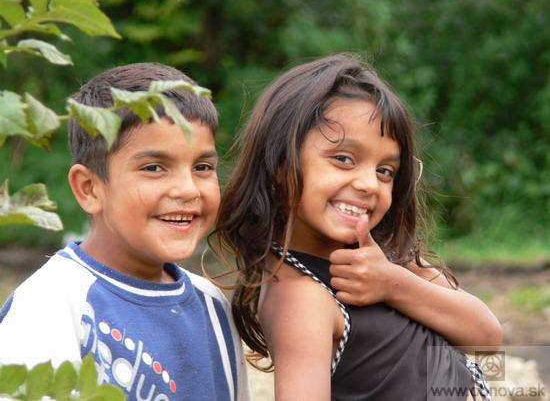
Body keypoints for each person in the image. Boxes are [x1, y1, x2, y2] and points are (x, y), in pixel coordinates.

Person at [213, 54, 502, 400]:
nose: (369, 184)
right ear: (280, 163)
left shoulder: (387, 258)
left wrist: (392, 284)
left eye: (385, 171)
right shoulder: (301, 297)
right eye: (344, 159)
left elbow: (486, 336)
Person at [0, 63, 250, 401]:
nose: (188, 189)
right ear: (89, 188)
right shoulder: (50, 307)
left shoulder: (213, 306)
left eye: (202, 167)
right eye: (154, 168)